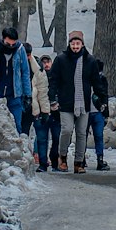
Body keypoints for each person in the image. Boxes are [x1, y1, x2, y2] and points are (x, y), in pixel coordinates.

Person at [48, 29, 99, 172]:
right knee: (67, 130)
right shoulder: (61, 59)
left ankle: (79, 163)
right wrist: (53, 98)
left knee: (82, 133)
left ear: (82, 44)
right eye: (73, 43)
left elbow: (96, 81)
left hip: (84, 104)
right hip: (65, 102)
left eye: (78, 43)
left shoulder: (90, 60)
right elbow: (53, 81)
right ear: (69, 44)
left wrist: (101, 99)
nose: (75, 46)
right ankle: (62, 157)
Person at [0, 26, 32, 132]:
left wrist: (28, 94)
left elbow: (25, 72)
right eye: (8, 44)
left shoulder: (20, 50)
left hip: (15, 96)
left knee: (16, 126)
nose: (11, 46)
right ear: (3, 39)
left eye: (13, 44)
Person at [27, 45, 52, 171]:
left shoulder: (38, 70)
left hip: (36, 108)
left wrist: (45, 111)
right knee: (23, 134)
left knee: (41, 136)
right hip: (23, 107)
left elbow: (43, 92)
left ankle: (42, 163)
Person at [87, 57, 111, 172]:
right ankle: (83, 159)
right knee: (85, 136)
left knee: (98, 136)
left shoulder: (102, 80)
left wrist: (105, 113)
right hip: (87, 111)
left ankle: (99, 159)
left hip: (97, 112)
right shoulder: (84, 80)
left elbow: (105, 96)